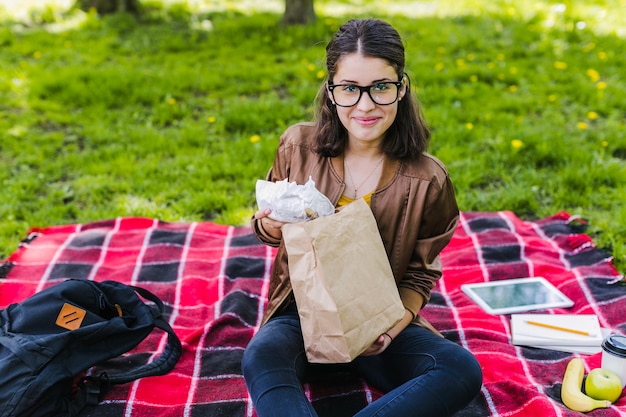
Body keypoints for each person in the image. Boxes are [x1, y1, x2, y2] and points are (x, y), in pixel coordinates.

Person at [242, 18, 483, 417]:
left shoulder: (428, 180)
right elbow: (264, 227)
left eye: (381, 87)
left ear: (401, 88)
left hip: (376, 324)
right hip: (302, 315)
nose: (365, 105)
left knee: (458, 369)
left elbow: (420, 275)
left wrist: (390, 329)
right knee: (261, 356)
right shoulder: (297, 146)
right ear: (331, 92)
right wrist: (269, 223)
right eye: (350, 89)